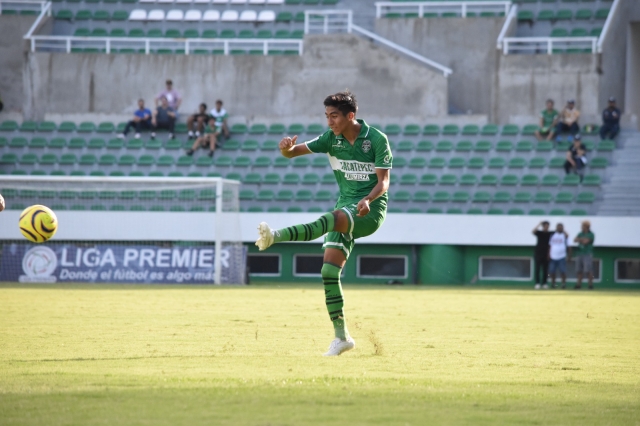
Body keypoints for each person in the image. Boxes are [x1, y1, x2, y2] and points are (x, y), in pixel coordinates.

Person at [254, 91, 392, 356]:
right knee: (329, 272)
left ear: (350, 116)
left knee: (330, 220)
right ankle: (342, 337)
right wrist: (285, 148)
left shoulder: (376, 139)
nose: (329, 122)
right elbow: (293, 153)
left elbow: (383, 182)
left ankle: (276, 236)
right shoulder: (331, 139)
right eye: (327, 116)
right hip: (345, 205)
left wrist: (368, 199)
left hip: (370, 211)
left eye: (334, 116)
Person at [574, 220, 595, 290]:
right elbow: (574, 240)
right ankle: (578, 285)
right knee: (579, 270)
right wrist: (582, 239)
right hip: (580, 253)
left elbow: (586, 242)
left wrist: (580, 239)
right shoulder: (580, 233)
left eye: (582, 226)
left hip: (587, 254)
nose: (581, 227)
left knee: (588, 270)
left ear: (586, 227)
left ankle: (590, 285)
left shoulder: (591, 234)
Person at [548, 223, 571, 289]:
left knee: (563, 271)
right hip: (553, 256)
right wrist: (549, 254)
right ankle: (553, 284)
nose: (559, 228)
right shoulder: (553, 235)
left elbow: (569, 246)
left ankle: (563, 284)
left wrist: (569, 256)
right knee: (552, 271)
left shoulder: (564, 236)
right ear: (556, 228)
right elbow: (550, 245)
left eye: (561, 227)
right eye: (558, 227)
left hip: (562, 256)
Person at [532, 221, 553, 289]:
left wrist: (549, 254)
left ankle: (545, 283)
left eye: (548, 226)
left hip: (546, 254)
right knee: (537, 269)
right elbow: (533, 231)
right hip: (538, 253)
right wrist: (539, 224)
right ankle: (537, 283)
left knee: (545, 270)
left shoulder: (550, 234)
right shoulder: (539, 233)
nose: (547, 228)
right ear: (543, 226)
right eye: (545, 226)